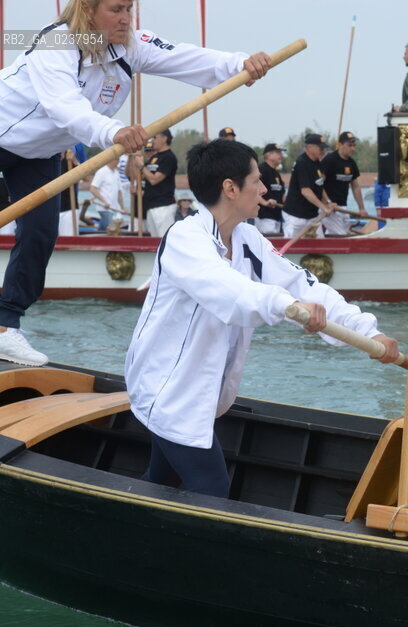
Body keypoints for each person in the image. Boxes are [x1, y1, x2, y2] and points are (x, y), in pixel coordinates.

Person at [0, 0, 273, 366]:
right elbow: (64, 107)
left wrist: (240, 64)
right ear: (87, 10)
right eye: (116, 9)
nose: (126, 18)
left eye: (129, 8)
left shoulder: (132, 44)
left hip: (38, 154)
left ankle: (4, 326)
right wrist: (113, 131)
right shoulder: (56, 43)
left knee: (39, 233)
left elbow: (185, 58)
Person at [125, 140, 399, 498]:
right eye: (257, 180)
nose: (265, 188)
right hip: (167, 387)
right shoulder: (184, 239)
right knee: (212, 488)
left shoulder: (247, 238)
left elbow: (302, 282)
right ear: (230, 188)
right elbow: (231, 293)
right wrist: (289, 305)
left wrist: (368, 332)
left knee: (162, 480)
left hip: (195, 391)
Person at [282, 133, 334, 238]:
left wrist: (328, 202)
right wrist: (323, 207)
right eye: (321, 148)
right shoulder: (302, 163)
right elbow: (306, 191)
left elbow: (319, 186)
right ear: (310, 148)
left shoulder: (317, 163)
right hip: (295, 215)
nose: (323, 150)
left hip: (312, 216)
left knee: (320, 243)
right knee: (291, 249)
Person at [320, 131, 369, 236]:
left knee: (340, 234)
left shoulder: (351, 163)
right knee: (341, 236)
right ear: (340, 145)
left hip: (343, 207)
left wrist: (361, 208)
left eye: (354, 145)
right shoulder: (329, 160)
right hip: (329, 208)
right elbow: (319, 185)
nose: (353, 148)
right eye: (349, 145)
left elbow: (355, 187)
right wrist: (327, 202)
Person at [133, 128, 177, 236]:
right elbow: (142, 176)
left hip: (163, 207)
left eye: (155, 137)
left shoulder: (169, 157)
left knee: (164, 239)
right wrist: (136, 158)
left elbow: (154, 180)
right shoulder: (155, 157)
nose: (153, 140)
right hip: (151, 206)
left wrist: (142, 166)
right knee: (154, 241)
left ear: (164, 139)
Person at [255, 143, 286, 235]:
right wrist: (265, 202)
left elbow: (281, 192)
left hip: (276, 215)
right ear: (268, 155)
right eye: (278, 152)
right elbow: (254, 190)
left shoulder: (275, 172)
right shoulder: (262, 170)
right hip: (264, 215)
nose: (281, 155)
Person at [90, 156, 125, 231]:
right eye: (116, 160)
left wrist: (122, 208)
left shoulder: (116, 173)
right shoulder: (101, 172)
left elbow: (119, 192)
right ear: (110, 160)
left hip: (113, 208)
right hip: (104, 207)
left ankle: (96, 240)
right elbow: (93, 189)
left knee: (103, 230)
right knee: (110, 228)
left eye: (118, 160)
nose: (118, 162)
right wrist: (104, 201)